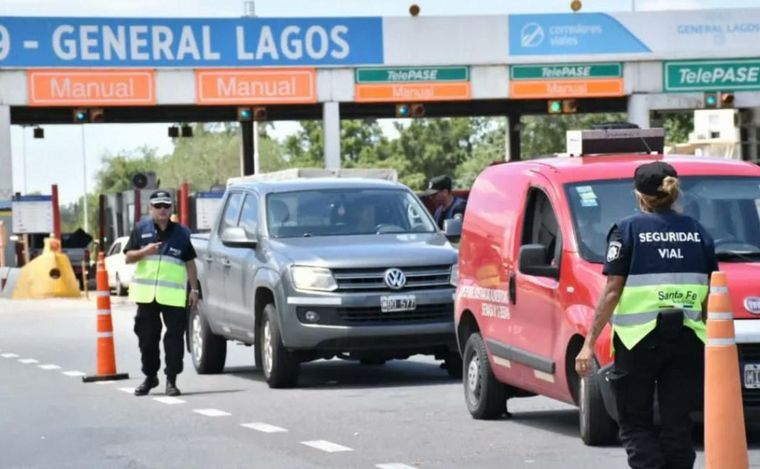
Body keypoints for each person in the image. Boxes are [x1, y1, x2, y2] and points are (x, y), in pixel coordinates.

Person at [575, 161, 718, 469]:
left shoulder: (627, 229)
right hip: (688, 341)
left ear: (639, 195)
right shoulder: (698, 232)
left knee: (635, 421)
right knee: (678, 424)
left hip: (637, 340)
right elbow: (711, 293)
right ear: (674, 191)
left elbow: (612, 291)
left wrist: (588, 342)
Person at [124, 190, 199, 397]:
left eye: (166, 206)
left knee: (174, 341)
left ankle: (171, 380)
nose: (162, 209)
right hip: (146, 297)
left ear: (171, 208)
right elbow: (128, 257)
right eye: (158, 206)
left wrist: (194, 290)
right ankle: (150, 377)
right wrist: (144, 252)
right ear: (150, 209)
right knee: (147, 339)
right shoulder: (141, 229)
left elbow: (190, 263)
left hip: (173, 297)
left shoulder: (182, 233)